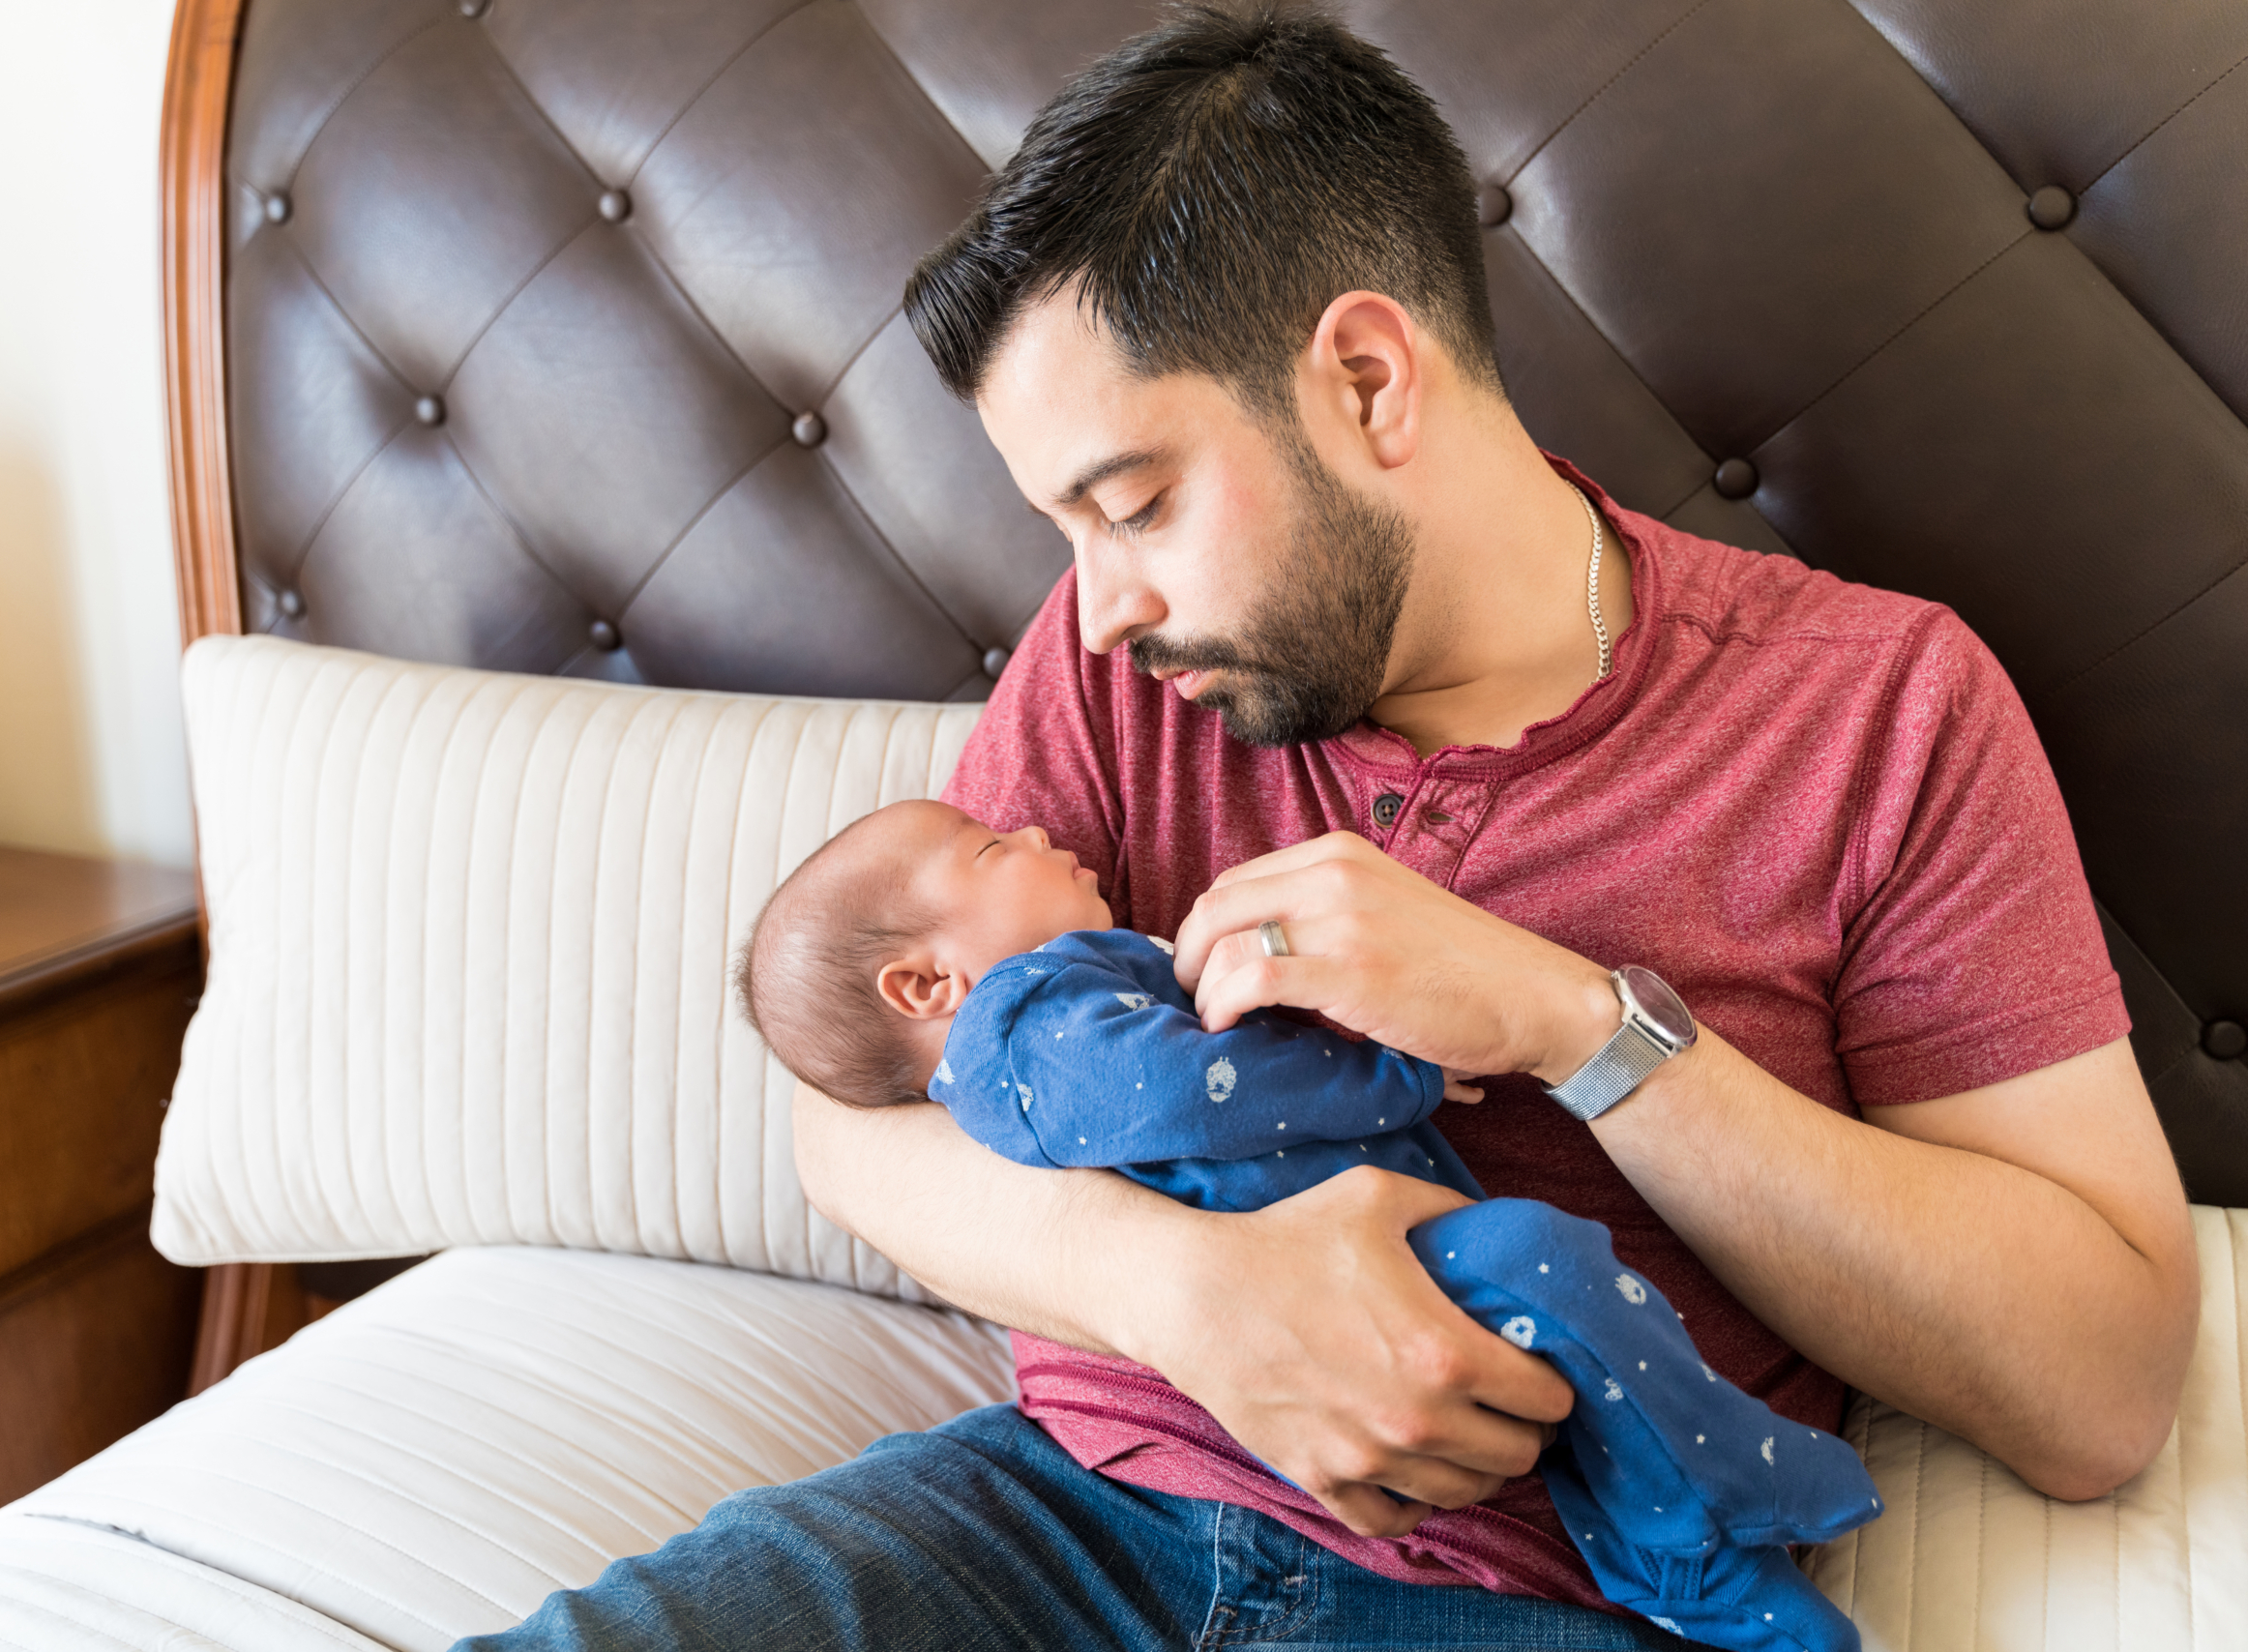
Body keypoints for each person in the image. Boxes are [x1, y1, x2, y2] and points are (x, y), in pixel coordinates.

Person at [459, 6, 2197, 1649]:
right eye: (1068, 532)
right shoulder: (1123, 667)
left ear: (1368, 378)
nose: (1100, 606)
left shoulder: (1874, 709)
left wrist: (1577, 1027)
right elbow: (853, 1118)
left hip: (1535, 1592)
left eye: (1135, 504)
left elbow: (2099, 1389)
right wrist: (1188, 1300)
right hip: (1064, 1512)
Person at [735, 796, 1883, 1651]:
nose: (1033, 829)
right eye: (994, 849)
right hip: (1108, 1476)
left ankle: (1675, 1523)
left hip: (1471, 1544)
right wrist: (1394, 1075)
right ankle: (1705, 1505)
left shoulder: (1048, 1003)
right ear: (921, 988)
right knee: (1541, 1260)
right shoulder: (1026, 1019)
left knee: (1548, 1281)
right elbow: (1196, 1090)